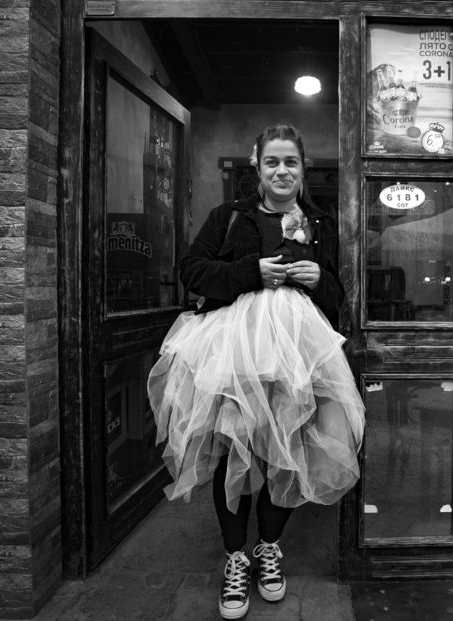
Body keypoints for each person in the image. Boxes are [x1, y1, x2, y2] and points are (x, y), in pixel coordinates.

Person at [147, 124, 365, 620]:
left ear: (303, 168)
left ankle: (269, 547)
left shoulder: (321, 223)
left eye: (290, 162)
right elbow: (191, 270)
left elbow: (340, 301)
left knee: (289, 453)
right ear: (257, 167)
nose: (281, 171)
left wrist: (320, 279)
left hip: (297, 359)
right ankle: (235, 557)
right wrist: (249, 273)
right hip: (236, 355)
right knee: (235, 452)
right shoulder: (228, 216)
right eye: (272, 162)